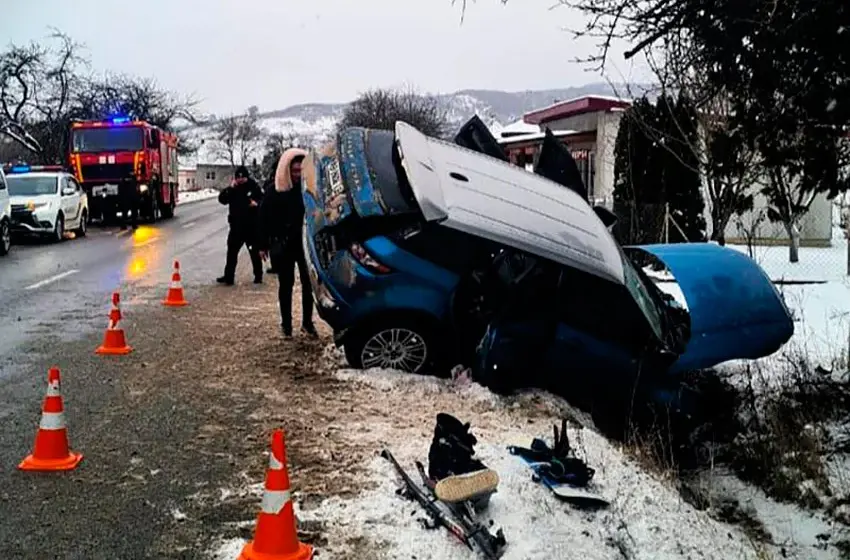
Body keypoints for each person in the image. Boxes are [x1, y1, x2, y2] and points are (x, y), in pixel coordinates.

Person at [258, 148, 316, 337]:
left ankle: (307, 322)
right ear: (286, 170)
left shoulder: (310, 191)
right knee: (286, 285)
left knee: (309, 285)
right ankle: (286, 324)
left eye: (301, 171)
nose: (298, 175)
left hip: (306, 244)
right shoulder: (274, 192)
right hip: (283, 244)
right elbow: (263, 218)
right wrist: (262, 244)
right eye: (294, 171)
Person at [216, 165, 264, 286]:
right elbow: (222, 200)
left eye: (242, 177)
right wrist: (230, 188)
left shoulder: (253, 187)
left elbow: (263, 200)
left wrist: (256, 203)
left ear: (246, 177)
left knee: (254, 252)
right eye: (238, 178)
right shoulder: (233, 189)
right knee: (231, 252)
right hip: (236, 227)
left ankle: (258, 275)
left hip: (250, 227)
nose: (240, 179)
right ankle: (228, 276)